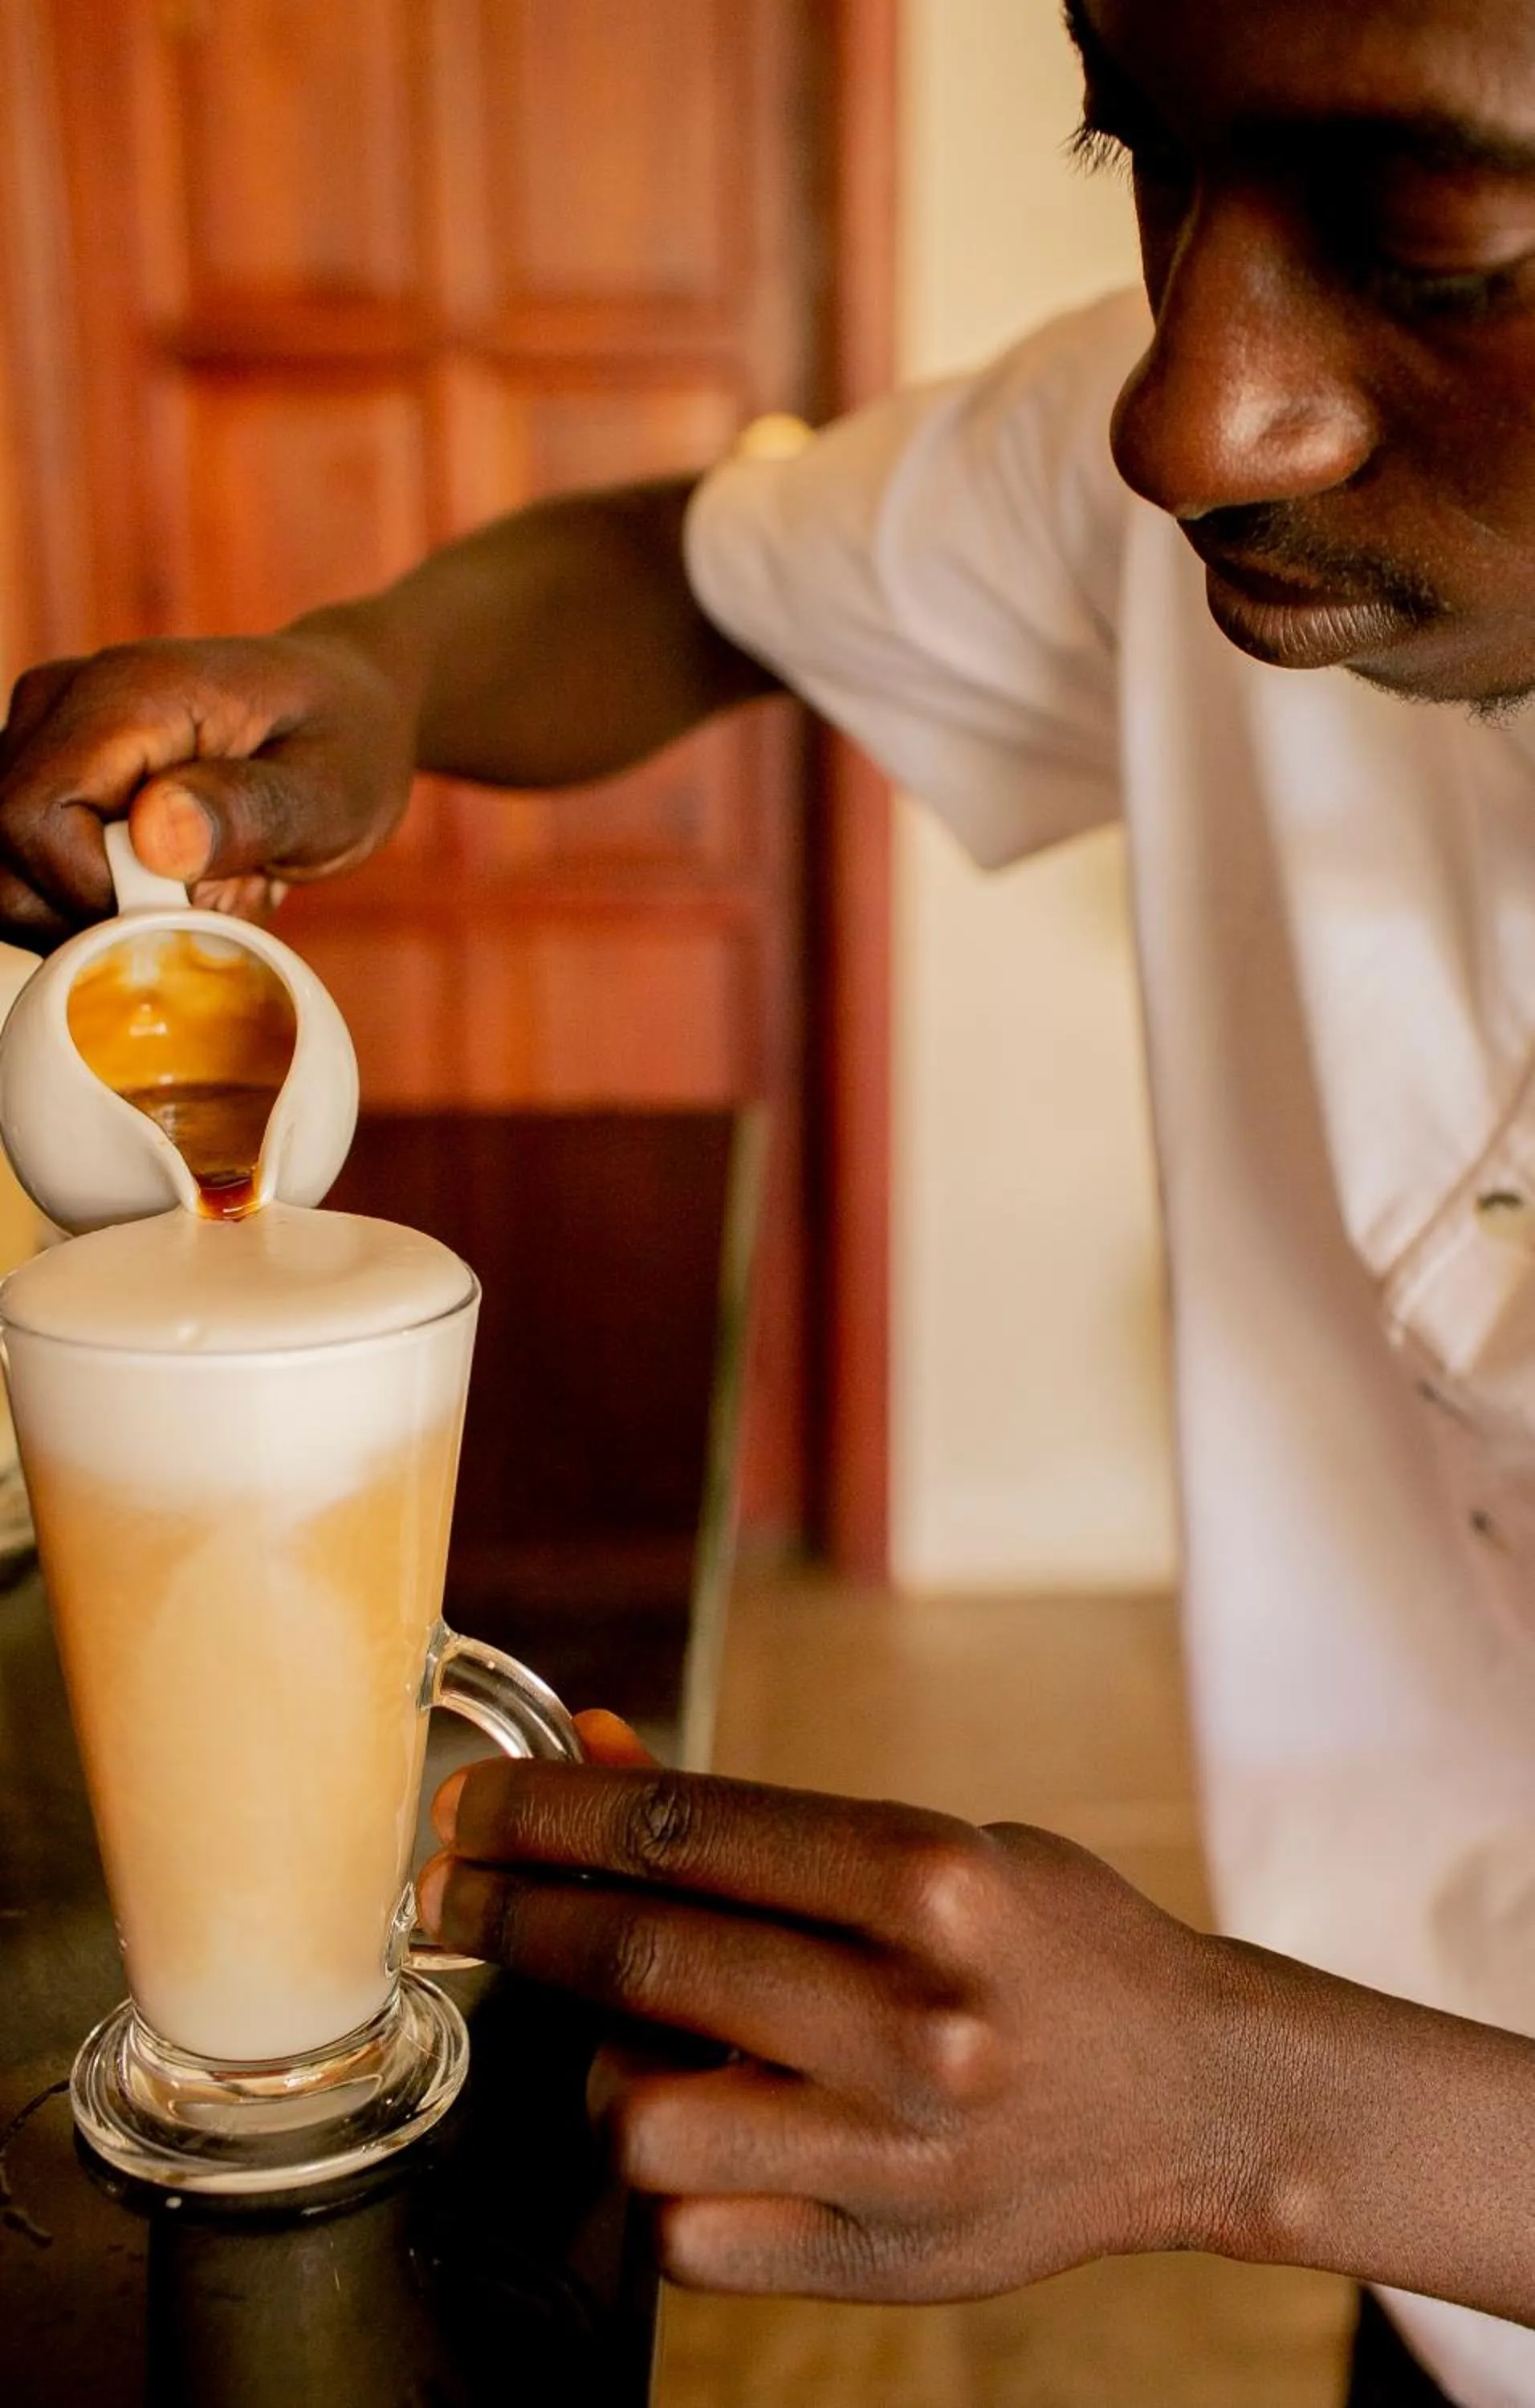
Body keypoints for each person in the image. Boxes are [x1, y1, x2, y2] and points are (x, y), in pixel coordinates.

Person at [8, 0, 1535, 2398]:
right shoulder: (1223, 466)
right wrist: (374, 669)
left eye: (1443, 244)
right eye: (1129, 143)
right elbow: (702, 577)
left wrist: (1264, 2117)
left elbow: (1300, 2126)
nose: (1181, 417)